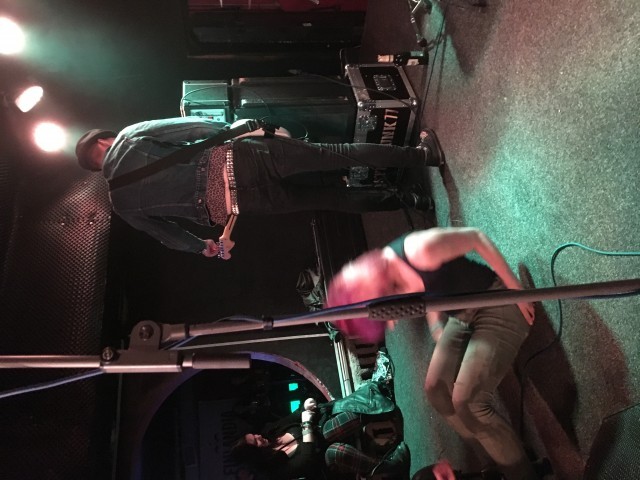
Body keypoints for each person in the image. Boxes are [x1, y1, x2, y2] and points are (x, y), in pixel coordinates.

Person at [324, 227, 539, 480]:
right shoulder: (387, 283)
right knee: (436, 390)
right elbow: (429, 293)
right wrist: (437, 328)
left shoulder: (420, 250)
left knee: (468, 402)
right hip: (462, 314)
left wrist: (518, 292)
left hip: (496, 300)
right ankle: (495, 458)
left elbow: (476, 237)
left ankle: (522, 474)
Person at [74, 117, 444, 258]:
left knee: (329, 198)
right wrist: (238, 128)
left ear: (95, 168)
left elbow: (167, 236)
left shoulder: (122, 205)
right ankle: (421, 156)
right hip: (242, 161)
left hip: (242, 204)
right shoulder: (129, 137)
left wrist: (204, 246)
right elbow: (192, 128)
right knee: (335, 155)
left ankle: (413, 199)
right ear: (104, 142)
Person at [231, 381, 410, 480]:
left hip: (322, 433)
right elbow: (307, 458)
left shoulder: (270, 431)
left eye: (254, 435)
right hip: (323, 461)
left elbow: (294, 417)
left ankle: (382, 410)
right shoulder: (274, 472)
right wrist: (306, 424)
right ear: (256, 454)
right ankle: (388, 467)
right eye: (255, 441)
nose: (258, 436)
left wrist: (305, 407)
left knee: (329, 429)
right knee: (335, 451)